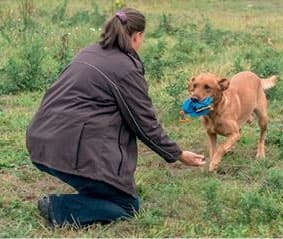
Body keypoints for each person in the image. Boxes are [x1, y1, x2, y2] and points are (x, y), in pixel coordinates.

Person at [25, 8, 205, 227]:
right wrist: (178, 154)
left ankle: (91, 185)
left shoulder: (88, 52)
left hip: (40, 141)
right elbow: (144, 124)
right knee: (126, 207)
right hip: (67, 149)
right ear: (137, 36)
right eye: (142, 38)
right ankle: (59, 208)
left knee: (107, 186)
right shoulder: (126, 69)